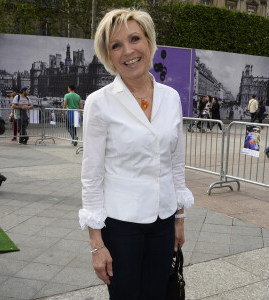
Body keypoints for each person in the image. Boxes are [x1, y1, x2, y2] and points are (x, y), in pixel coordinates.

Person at [78, 8, 194, 300]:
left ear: (149, 42)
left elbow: (175, 162)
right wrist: (96, 244)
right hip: (121, 225)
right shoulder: (99, 103)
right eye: (116, 45)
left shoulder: (170, 97)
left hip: (163, 221)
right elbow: (91, 177)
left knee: (157, 293)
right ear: (108, 54)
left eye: (135, 39)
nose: (128, 51)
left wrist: (179, 217)